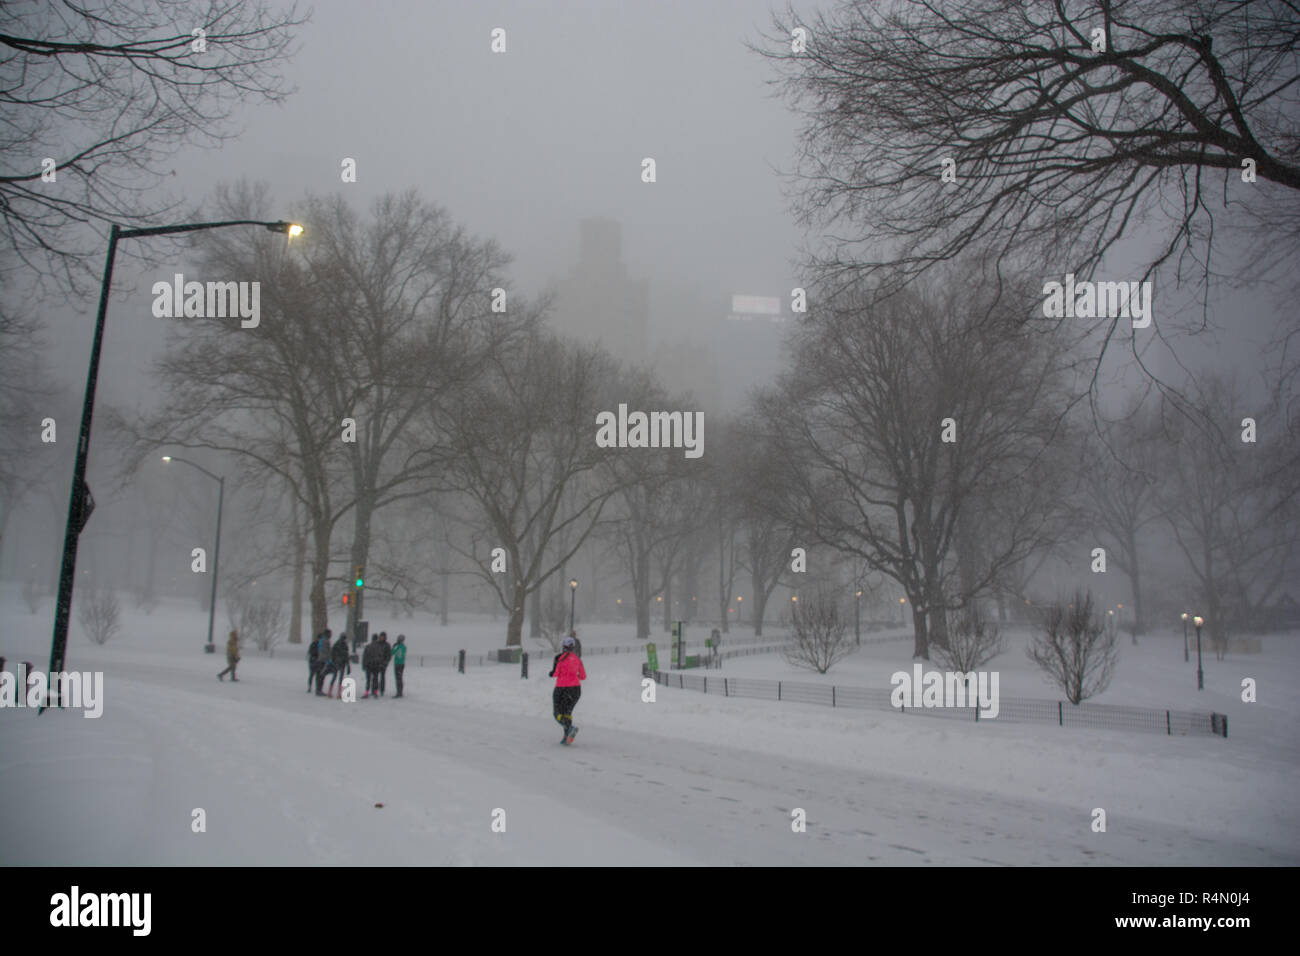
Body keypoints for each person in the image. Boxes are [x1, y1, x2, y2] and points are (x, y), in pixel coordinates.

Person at [549, 635, 586, 743]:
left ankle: (569, 729)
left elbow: (555, 673)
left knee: (557, 713)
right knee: (567, 713)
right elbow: (583, 676)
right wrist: (574, 676)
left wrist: (552, 673)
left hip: (562, 688)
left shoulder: (559, 658)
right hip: (575, 690)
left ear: (563, 646)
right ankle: (566, 736)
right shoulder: (577, 660)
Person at [327, 632, 350, 697]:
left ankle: (330, 692)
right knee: (340, 678)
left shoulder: (336, 644)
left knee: (334, 677)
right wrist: (348, 664)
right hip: (342, 663)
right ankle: (338, 693)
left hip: (336, 663)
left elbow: (332, 654)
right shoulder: (345, 645)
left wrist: (333, 661)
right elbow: (346, 655)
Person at [362, 634, 380, 698]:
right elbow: (380, 657)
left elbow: (364, 657)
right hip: (376, 665)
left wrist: (364, 665)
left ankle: (367, 692)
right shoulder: (379, 647)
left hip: (368, 665)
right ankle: (375, 692)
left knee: (368, 680)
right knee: (375, 679)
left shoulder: (368, 646)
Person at [377, 632, 392, 696]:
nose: (381, 638)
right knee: (375, 677)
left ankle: (382, 690)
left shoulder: (387, 645)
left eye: (382, 637)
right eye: (381, 636)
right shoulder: (377, 644)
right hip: (376, 663)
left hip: (383, 663)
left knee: (382, 677)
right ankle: (375, 689)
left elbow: (389, 655)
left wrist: (385, 662)